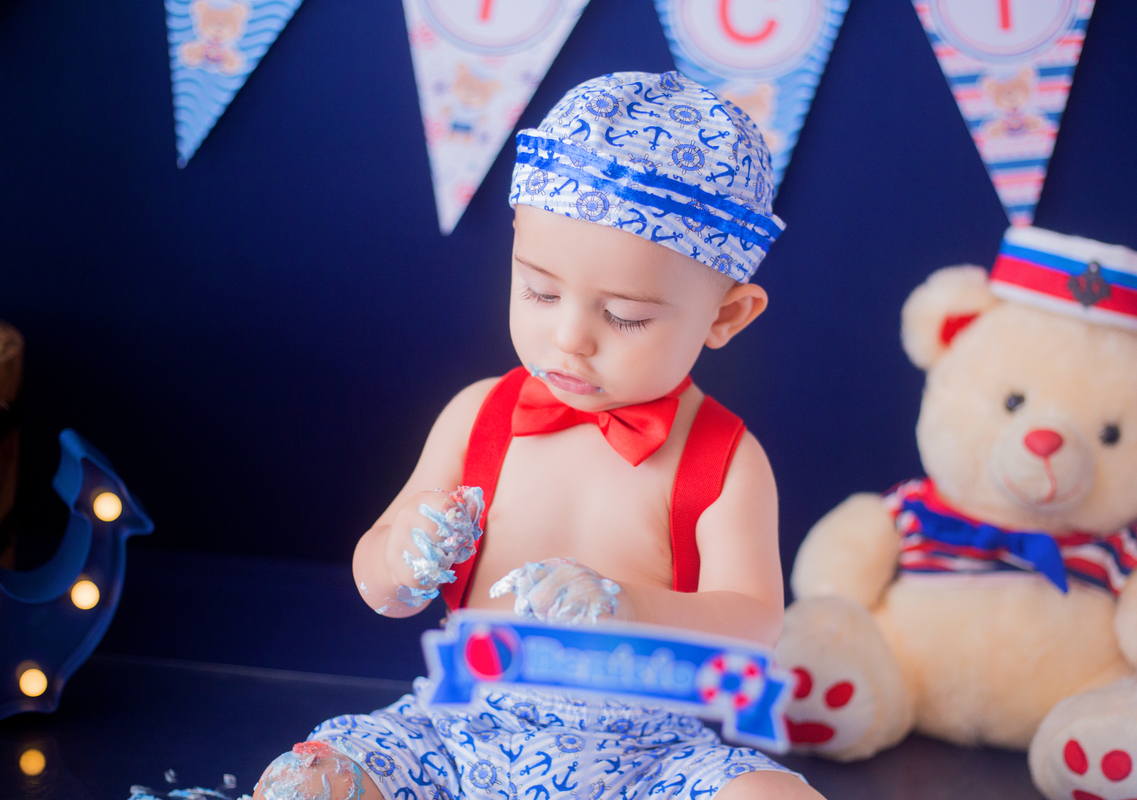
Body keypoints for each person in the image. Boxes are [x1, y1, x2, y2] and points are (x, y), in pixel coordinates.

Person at [252, 71, 824, 800]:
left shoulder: (724, 462)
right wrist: (407, 559)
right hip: (455, 733)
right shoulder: (478, 415)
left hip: (648, 759)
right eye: (540, 292)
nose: (569, 338)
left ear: (727, 316)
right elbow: (378, 582)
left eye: (624, 316)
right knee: (306, 781)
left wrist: (628, 607)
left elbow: (751, 629)